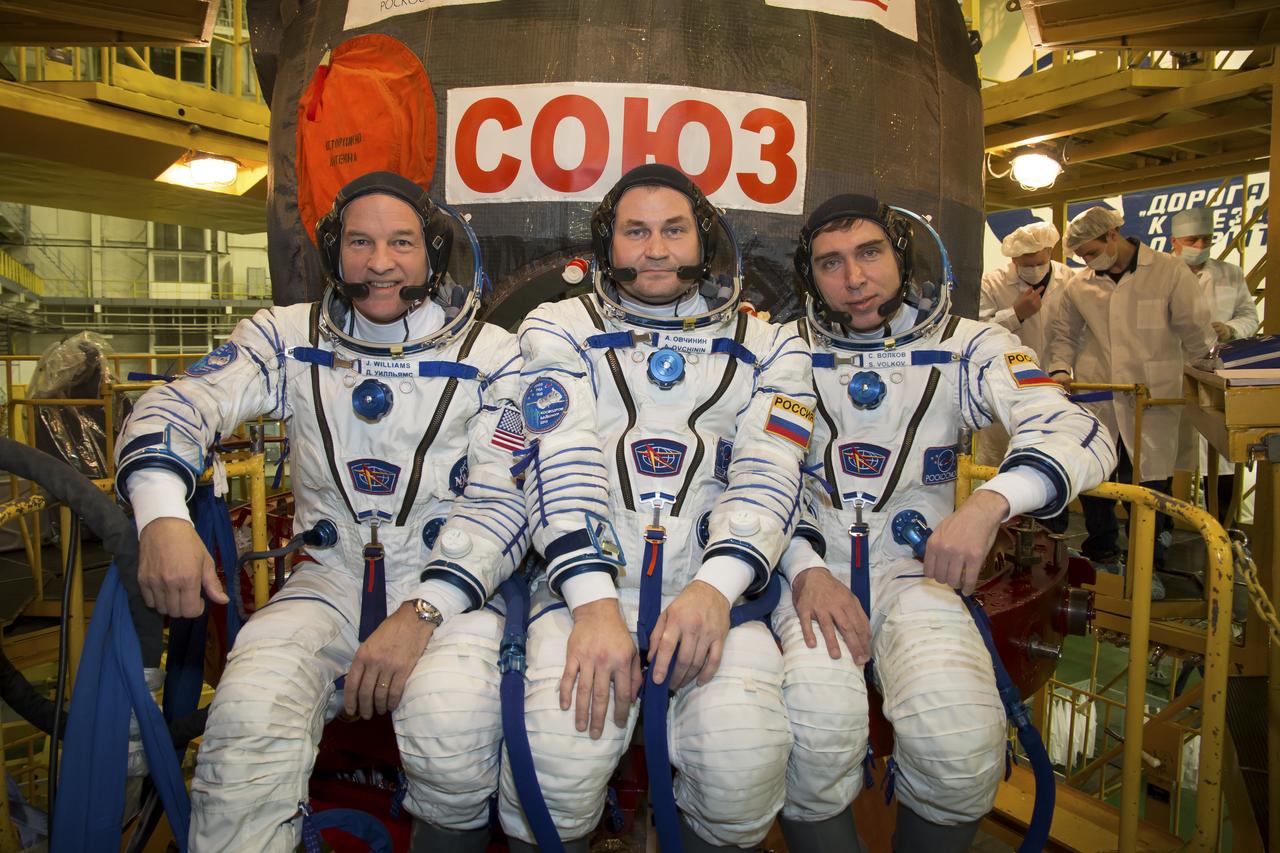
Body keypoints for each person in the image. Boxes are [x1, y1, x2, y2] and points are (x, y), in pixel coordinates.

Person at [114, 171, 528, 853]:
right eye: (360, 242)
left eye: (401, 241)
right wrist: (162, 512)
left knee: (451, 723)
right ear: (336, 252)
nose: (380, 262)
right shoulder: (285, 338)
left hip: (447, 584)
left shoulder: (491, 354)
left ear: (433, 252)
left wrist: (425, 608)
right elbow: (178, 403)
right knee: (249, 714)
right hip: (328, 578)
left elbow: (501, 496)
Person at [774, 194, 1114, 852]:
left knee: (962, 745)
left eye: (870, 253)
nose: (854, 278)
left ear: (901, 258)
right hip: (810, 573)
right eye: (831, 263)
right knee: (813, 735)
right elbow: (753, 476)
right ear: (809, 275)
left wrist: (992, 502)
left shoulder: (968, 346)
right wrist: (804, 567)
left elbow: (1075, 428)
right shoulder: (782, 352)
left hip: (914, 571)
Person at [502, 163, 810, 852]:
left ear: (702, 239)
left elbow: (770, 473)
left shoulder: (772, 345)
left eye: (673, 230)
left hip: (711, 591)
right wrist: (592, 601)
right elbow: (560, 458)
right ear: (607, 245)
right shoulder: (558, 327)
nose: (656, 250)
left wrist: (715, 588)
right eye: (635, 232)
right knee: (555, 762)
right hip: (589, 590)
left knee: (742, 762)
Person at [1048, 206, 1214, 583]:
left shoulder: (1169, 272)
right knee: (1095, 478)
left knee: (1148, 485)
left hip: (1151, 398)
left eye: (1091, 252)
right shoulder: (1080, 285)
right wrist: (1060, 370)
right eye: (1082, 257)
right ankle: (1101, 551)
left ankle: (1147, 565)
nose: (1088, 262)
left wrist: (1211, 371)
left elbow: (1196, 331)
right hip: (1099, 395)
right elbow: (1064, 335)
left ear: (1112, 235)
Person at [976, 221, 1074, 531]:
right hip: (1005, 391)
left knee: (1053, 465)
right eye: (1025, 263)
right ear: (1013, 260)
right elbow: (976, 332)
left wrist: (1062, 370)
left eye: (1039, 261)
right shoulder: (992, 284)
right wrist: (1015, 313)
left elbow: (1071, 335)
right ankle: (1001, 537)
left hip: (1056, 387)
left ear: (1049, 251)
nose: (1033, 268)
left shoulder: (1070, 279)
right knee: (1002, 469)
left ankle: (1053, 539)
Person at [1169, 206, 1260, 523]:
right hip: (1171, 373)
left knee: (1220, 456)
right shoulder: (1159, 275)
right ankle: (1161, 533)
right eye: (1193, 239)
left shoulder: (1229, 274)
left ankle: (1225, 527)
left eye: (1206, 239)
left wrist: (1231, 329)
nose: (1200, 246)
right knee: (1167, 455)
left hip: (1214, 375)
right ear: (1175, 242)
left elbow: (1250, 317)